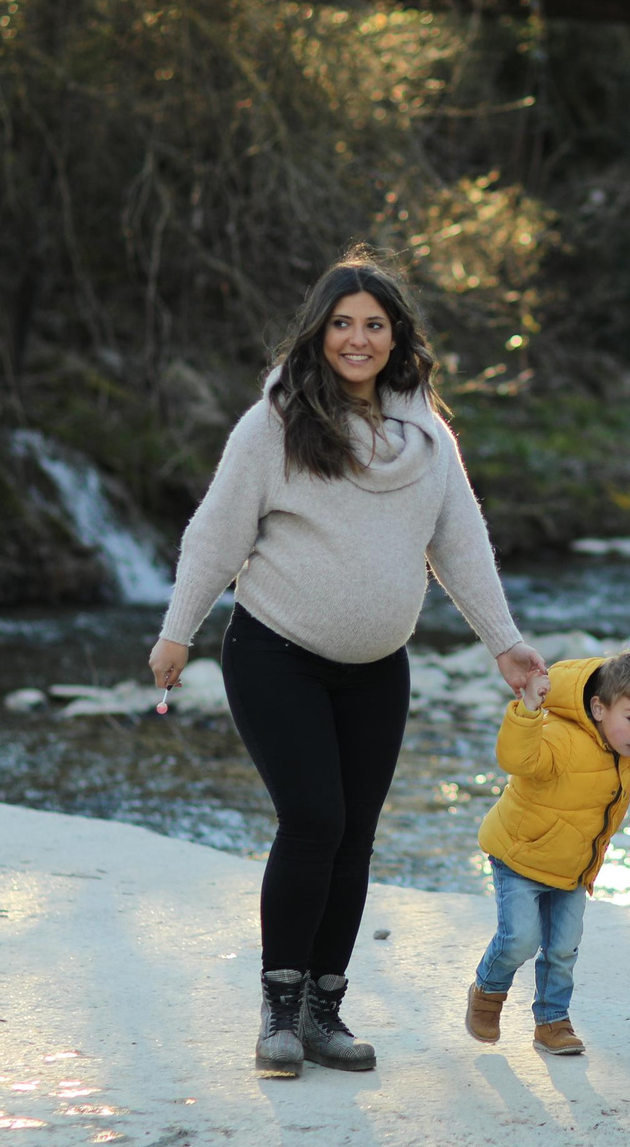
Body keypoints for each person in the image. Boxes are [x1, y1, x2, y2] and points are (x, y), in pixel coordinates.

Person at [150, 249, 548, 1079]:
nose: (357, 339)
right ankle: (278, 1010)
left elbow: (460, 543)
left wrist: (504, 641)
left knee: (355, 838)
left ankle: (324, 1011)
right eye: (342, 324)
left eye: (374, 324)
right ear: (318, 332)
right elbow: (216, 533)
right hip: (274, 653)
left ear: (397, 337)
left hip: (377, 667)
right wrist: (177, 630)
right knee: (314, 820)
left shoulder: (428, 439)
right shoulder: (275, 424)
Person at [464, 650, 630, 1056]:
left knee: (563, 949)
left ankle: (552, 1022)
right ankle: (488, 992)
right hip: (521, 858)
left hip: (574, 869)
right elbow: (515, 757)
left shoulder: (629, 750)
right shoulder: (559, 736)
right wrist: (527, 708)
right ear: (598, 707)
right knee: (520, 941)